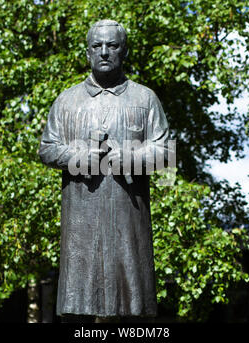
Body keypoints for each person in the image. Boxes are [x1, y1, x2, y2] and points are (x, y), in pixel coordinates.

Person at [39, 19, 170, 320]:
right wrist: (81, 157)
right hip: (81, 225)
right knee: (78, 311)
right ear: (88, 52)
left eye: (112, 45)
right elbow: (47, 149)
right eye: (97, 46)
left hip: (129, 223)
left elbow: (166, 153)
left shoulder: (145, 98)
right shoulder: (66, 101)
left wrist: (128, 157)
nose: (104, 52)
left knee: (131, 311)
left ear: (124, 51)